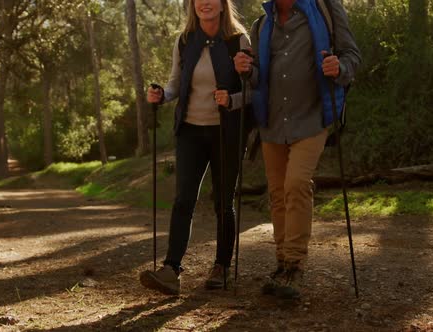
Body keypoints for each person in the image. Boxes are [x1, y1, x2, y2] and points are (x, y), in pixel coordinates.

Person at [234, 0, 361, 300]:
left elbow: (352, 56)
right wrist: (246, 70)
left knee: (296, 184)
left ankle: (295, 265)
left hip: (313, 118)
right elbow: (258, 78)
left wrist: (339, 67)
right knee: (277, 193)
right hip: (273, 122)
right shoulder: (261, 24)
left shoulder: (326, 10)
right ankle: (281, 264)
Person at [140, 0, 250, 295]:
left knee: (223, 203)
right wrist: (162, 95)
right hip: (190, 131)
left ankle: (221, 267)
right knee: (183, 200)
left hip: (226, 133)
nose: (205, 3)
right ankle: (171, 270)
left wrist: (232, 98)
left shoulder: (238, 40)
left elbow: (252, 87)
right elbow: (176, 83)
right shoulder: (185, 39)